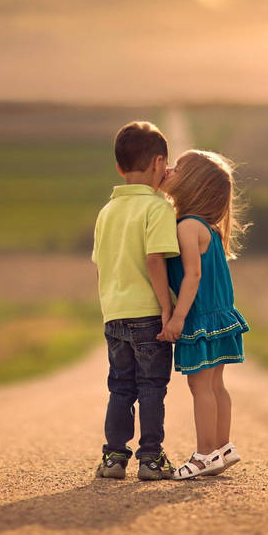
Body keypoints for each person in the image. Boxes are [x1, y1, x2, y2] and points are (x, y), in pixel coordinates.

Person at [91, 121, 179, 481]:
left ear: (119, 167)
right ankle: (150, 458)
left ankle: (113, 458)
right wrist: (166, 307)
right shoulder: (157, 209)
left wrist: (109, 307)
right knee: (152, 388)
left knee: (120, 387)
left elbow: (102, 266)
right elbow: (155, 259)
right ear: (159, 163)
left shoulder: (106, 212)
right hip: (147, 313)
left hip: (114, 314)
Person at [159, 149, 250, 480]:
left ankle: (205, 454)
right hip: (220, 316)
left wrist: (178, 317)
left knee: (201, 387)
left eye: (178, 168)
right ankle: (223, 448)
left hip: (199, 318)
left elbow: (193, 277)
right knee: (215, 385)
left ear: (193, 184)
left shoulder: (186, 227)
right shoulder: (208, 228)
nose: (169, 169)